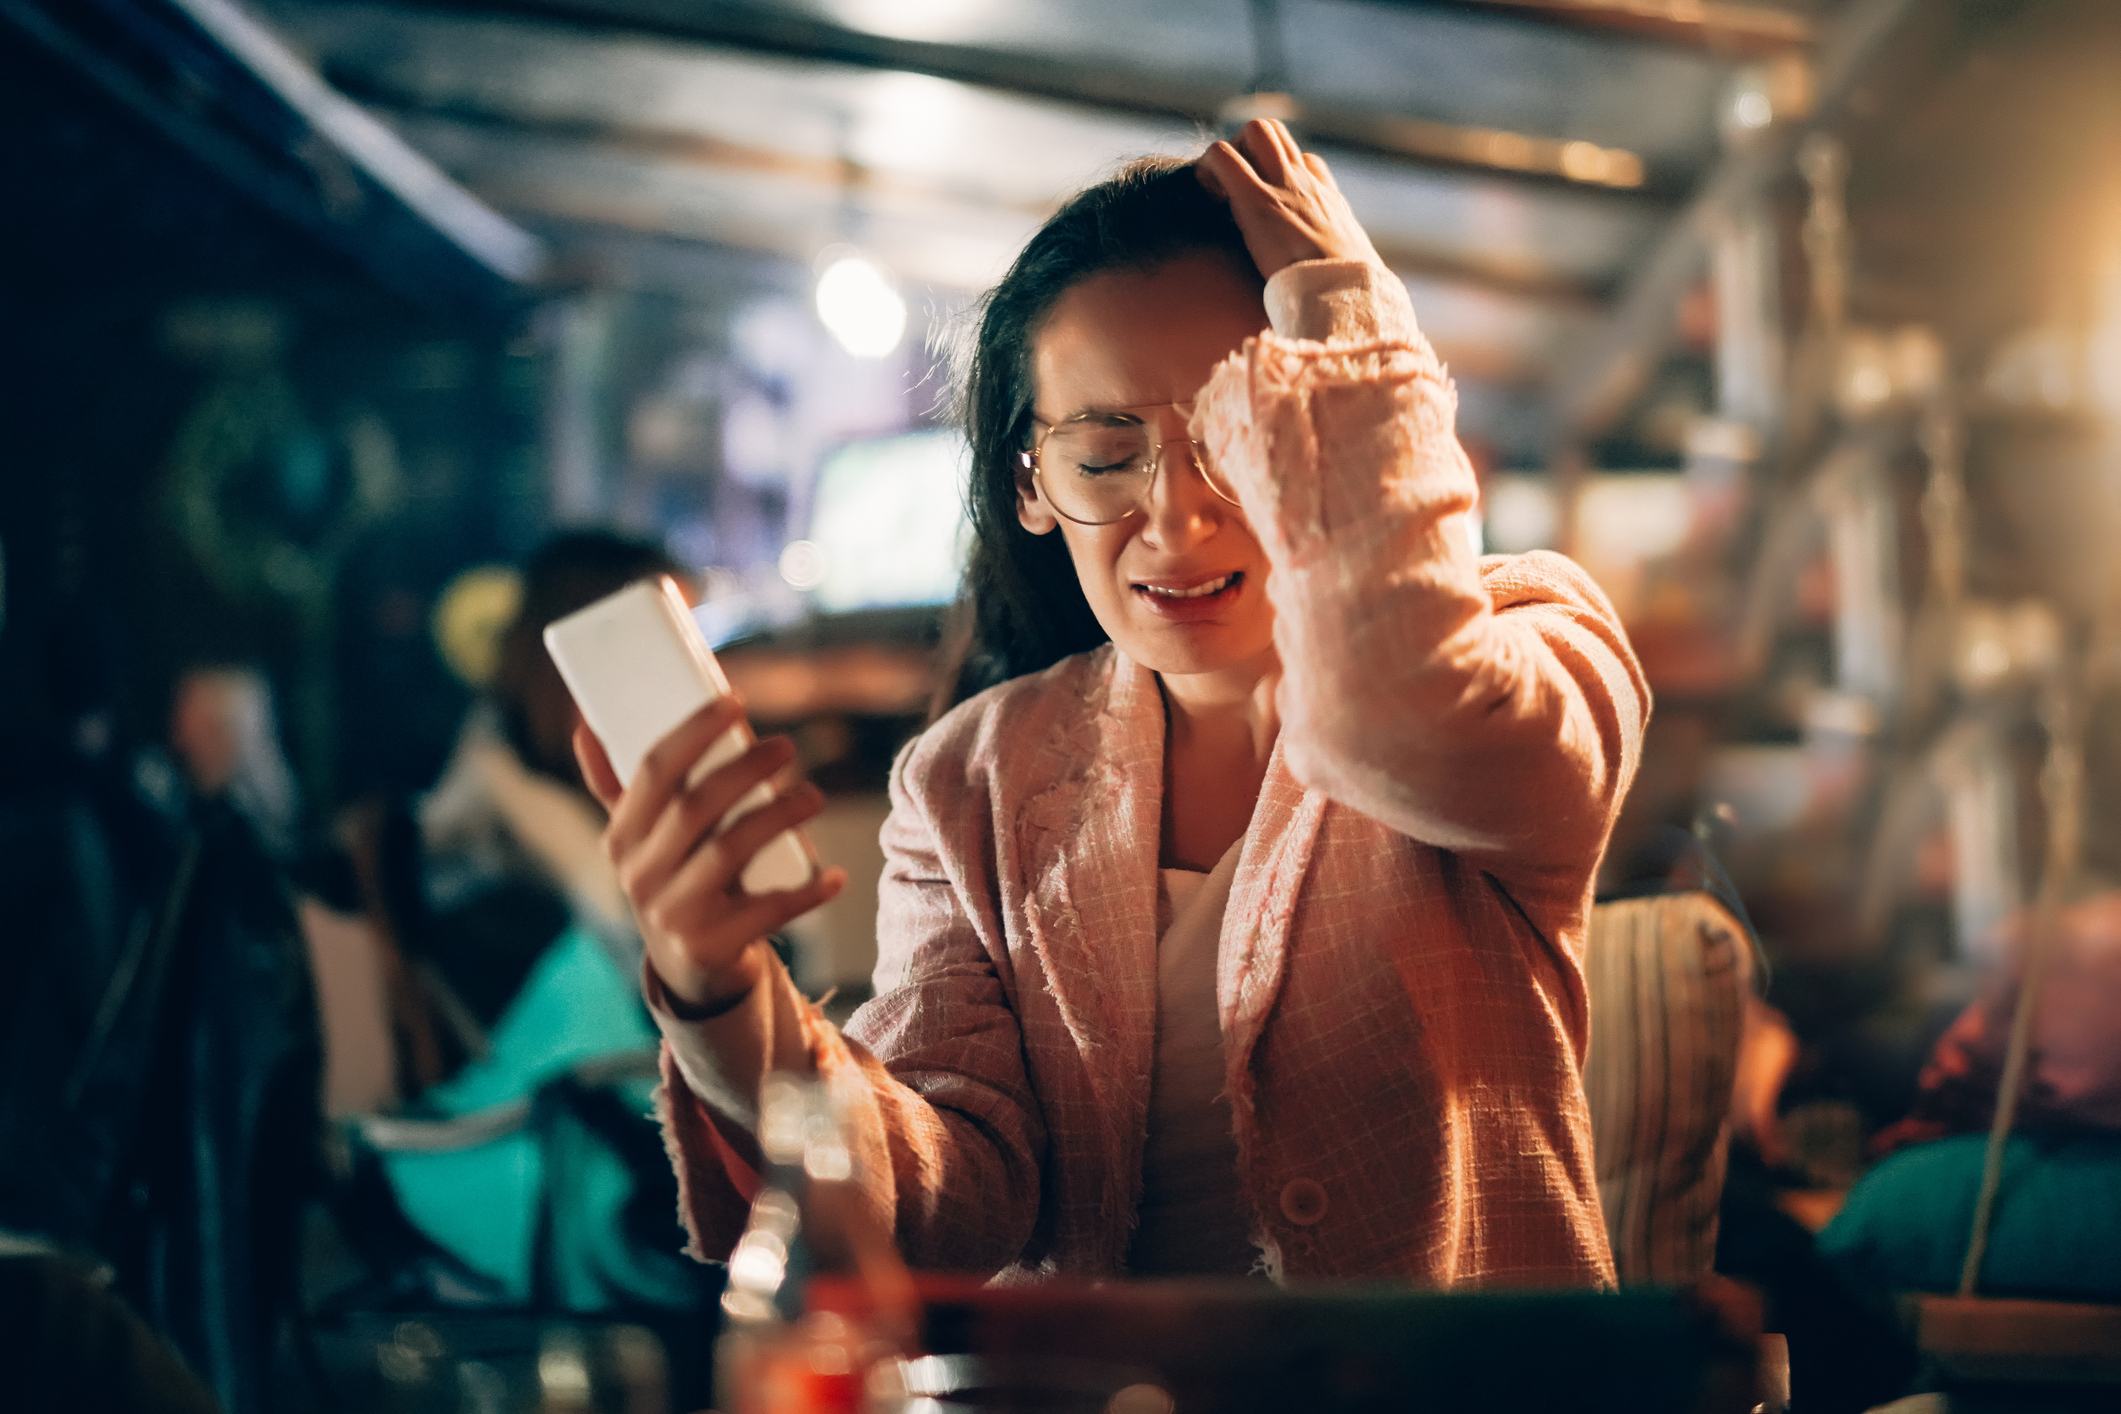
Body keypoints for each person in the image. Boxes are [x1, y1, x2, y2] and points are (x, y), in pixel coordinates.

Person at [577, 122, 1649, 1286]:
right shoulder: (968, 780)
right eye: (1105, 454)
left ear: (1320, 426)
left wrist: (1348, 317)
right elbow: (948, 1201)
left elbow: (1406, 698)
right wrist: (721, 995)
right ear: (1032, 483)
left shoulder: (1527, 643)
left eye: (1236, 440)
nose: (1179, 519)